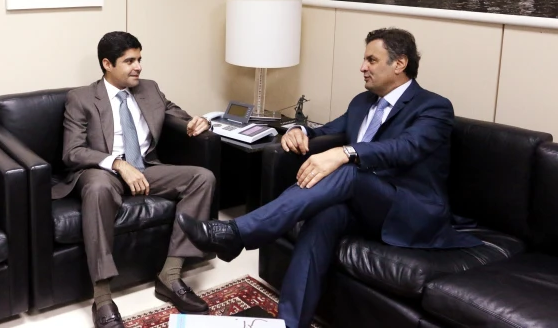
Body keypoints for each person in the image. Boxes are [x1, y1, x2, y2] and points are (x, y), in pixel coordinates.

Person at [177, 28, 481, 328]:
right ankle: (291, 323)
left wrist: (346, 153)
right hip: (363, 205)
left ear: (399, 64)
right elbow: (326, 131)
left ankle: (236, 233)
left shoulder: (433, 107)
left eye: (372, 60)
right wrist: (300, 130)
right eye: (364, 60)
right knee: (323, 217)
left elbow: (406, 148)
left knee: (347, 171)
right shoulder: (363, 102)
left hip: (408, 209)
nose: (362, 67)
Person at [58, 31, 216, 328]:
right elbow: (73, 152)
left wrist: (197, 122)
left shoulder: (150, 89)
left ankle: (170, 276)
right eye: (129, 61)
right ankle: (103, 296)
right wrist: (118, 164)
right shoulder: (80, 98)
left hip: (146, 167)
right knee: (98, 188)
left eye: (139, 59)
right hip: (104, 171)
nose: (138, 67)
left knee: (202, 178)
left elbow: (177, 116)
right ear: (107, 64)